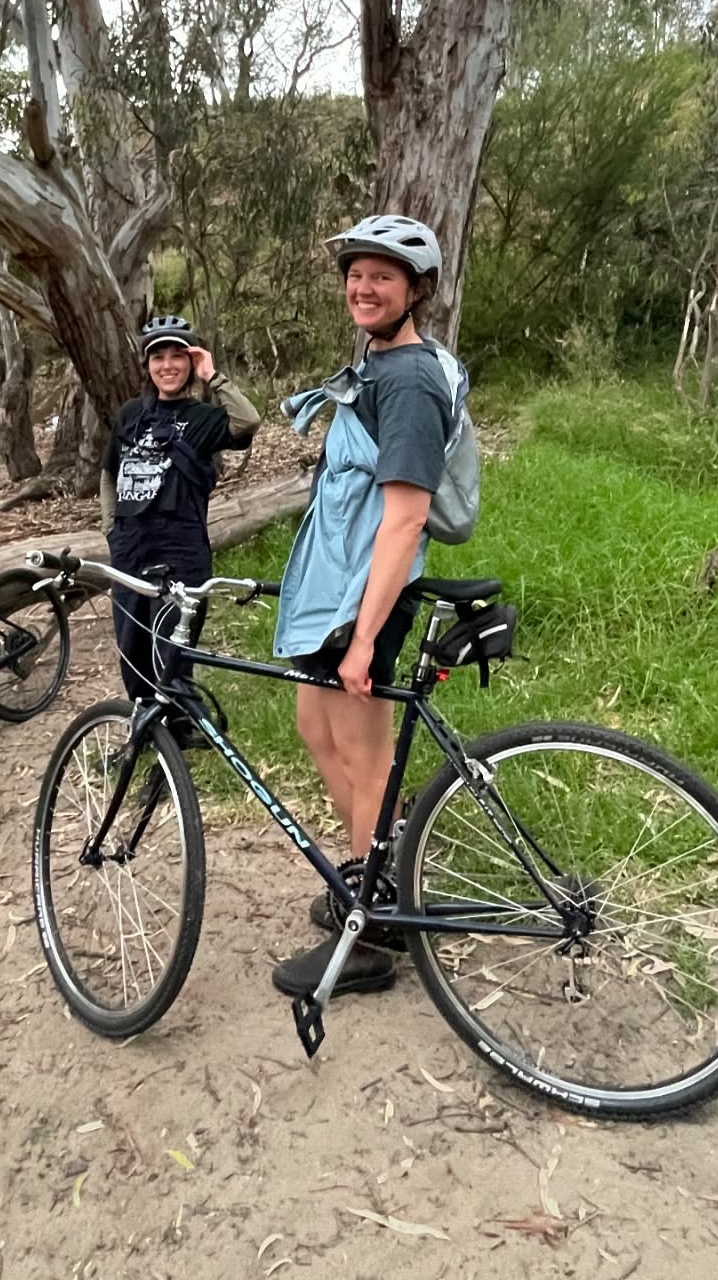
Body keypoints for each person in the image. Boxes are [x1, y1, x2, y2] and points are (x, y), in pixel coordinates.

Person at [270, 215, 454, 1000]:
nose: (364, 287)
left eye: (383, 276)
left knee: (365, 755)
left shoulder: (409, 380)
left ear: (416, 290)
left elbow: (407, 519)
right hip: (335, 593)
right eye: (356, 274)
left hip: (365, 600)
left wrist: (363, 639)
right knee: (318, 732)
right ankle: (371, 874)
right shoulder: (374, 366)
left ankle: (371, 929)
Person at [101, 317, 259, 720]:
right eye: (158, 357)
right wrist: (110, 529)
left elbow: (247, 421)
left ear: (190, 363)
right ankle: (144, 727)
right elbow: (109, 472)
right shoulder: (131, 414)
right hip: (130, 549)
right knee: (132, 648)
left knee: (170, 650)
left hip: (180, 550)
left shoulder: (202, 416)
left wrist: (212, 376)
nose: (167, 365)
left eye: (178, 356)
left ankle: (179, 729)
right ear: (147, 365)